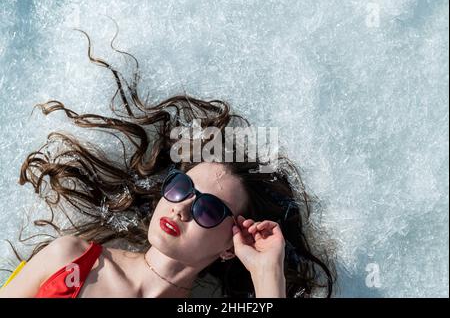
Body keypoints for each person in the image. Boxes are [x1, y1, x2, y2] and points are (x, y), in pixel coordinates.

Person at [0, 30, 333, 298]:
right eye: (181, 187)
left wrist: (267, 274)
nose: (182, 209)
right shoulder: (71, 259)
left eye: (208, 210)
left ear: (229, 249)